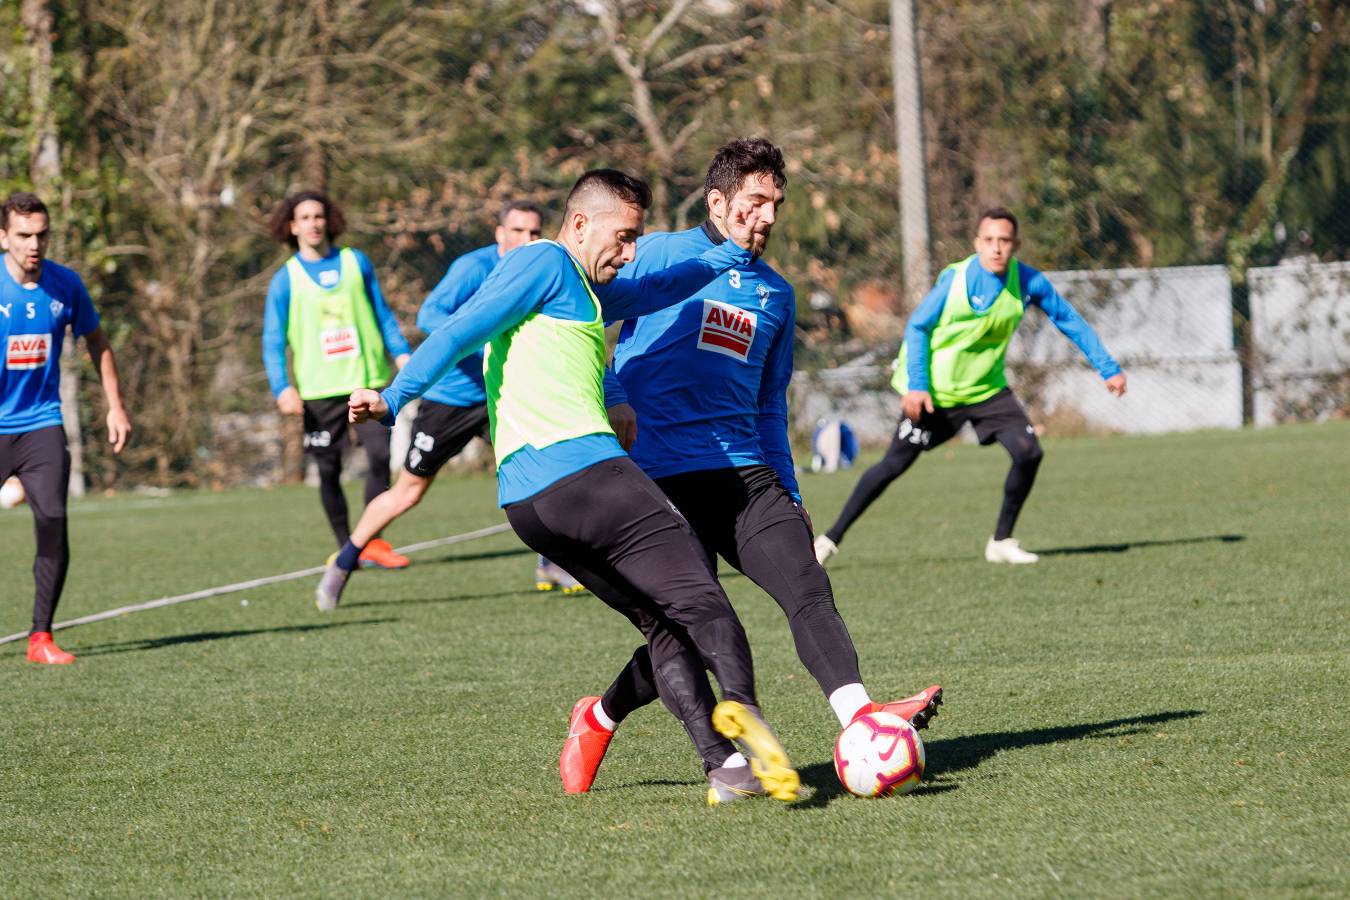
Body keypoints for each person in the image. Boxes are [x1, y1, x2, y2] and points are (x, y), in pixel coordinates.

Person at [344, 169, 800, 805]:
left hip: (530, 505)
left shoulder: (582, 291)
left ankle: (723, 769)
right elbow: (462, 327)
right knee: (704, 601)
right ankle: (746, 713)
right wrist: (395, 398)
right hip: (588, 475)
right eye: (624, 235)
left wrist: (730, 252)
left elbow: (661, 286)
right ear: (580, 223)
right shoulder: (545, 263)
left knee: (663, 622)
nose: (631, 250)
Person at [560, 138, 941, 801]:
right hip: (656, 476)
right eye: (754, 201)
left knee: (806, 585)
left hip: (745, 474)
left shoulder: (776, 295)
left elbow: (770, 405)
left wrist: (789, 489)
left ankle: (859, 720)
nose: (766, 215)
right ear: (718, 201)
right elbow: (589, 335)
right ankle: (600, 716)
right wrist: (611, 409)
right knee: (681, 630)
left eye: (776, 203)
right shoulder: (655, 254)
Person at [814, 207, 1127, 567]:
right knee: (892, 466)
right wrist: (917, 386)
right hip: (936, 392)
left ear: (1016, 245)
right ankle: (828, 540)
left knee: (1029, 452)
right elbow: (917, 326)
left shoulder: (1028, 282)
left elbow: (1068, 319)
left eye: (1004, 241)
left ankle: (1001, 541)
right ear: (977, 243)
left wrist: (1108, 368)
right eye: (989, 240)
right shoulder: (956, 281)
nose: (996, 248)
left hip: (987, 390)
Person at [313, 201, 582, 610]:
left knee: (542, 474)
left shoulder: (543, 267)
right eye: (517, 232)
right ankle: (344, 562)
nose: (526, 240)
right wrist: (480, 332)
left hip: (503, 393)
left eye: (533, 233)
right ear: (499, 234)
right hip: (451, 399)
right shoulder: (473, 267)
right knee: (408, 491)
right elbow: (429, 315)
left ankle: (550, 562)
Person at [0, 191, 131, 664]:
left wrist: (115, 406)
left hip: (41, 423)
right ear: (3, 237)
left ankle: (41, 638)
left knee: (53, 521)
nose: (34, 244)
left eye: (41, 235)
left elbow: (98, 341)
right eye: (23, 235)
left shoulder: (66, 285)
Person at [262, 191, 411, 569]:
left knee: (380, 456)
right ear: (292, 227)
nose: (313, 223)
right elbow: (273, 340)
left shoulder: (355, 262)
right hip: (318, 391)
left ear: (328, 221)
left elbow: (382, 313)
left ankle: (372, 541)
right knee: (328, 469)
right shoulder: (286, 279)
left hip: (367, 381)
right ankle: (347, 547)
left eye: (318, 216)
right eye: (305, 217)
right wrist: (282, 387)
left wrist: (402, 353)